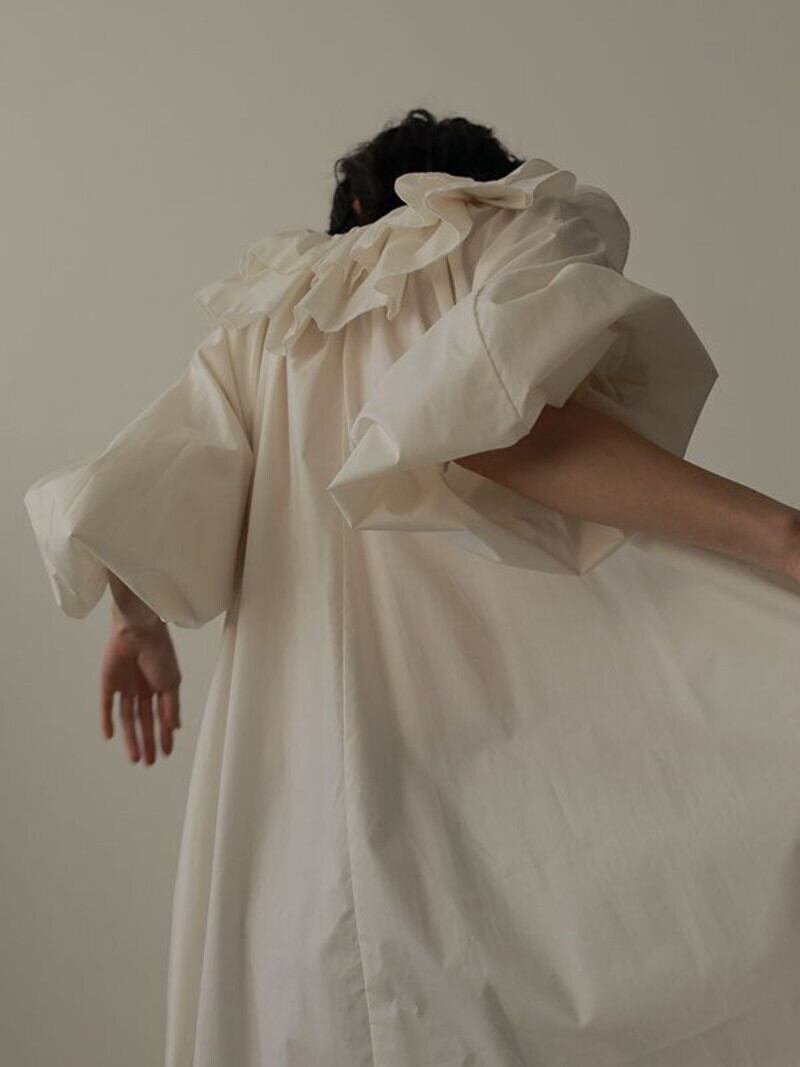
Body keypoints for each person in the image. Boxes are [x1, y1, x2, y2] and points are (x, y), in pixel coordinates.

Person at [23, 107, 800, 1065]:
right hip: (486, 865)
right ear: (477, 180)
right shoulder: (504, 236)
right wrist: (780, 539)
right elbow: (499, 424)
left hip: (300, 874)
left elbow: (136, 494)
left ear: (351, 211)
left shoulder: (268, 327)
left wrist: (135, 622)